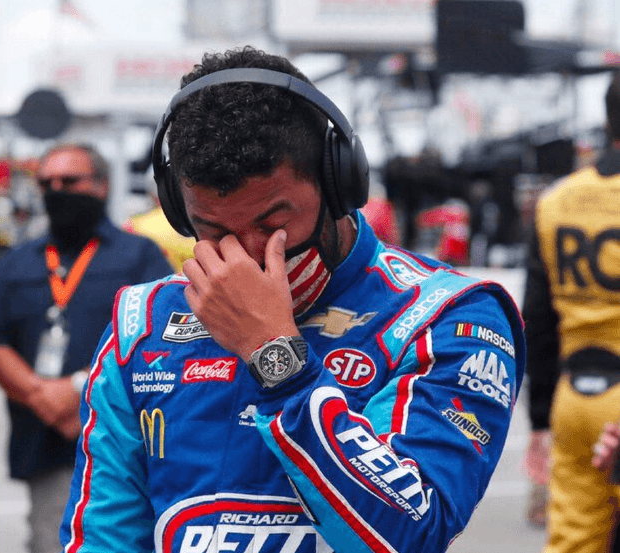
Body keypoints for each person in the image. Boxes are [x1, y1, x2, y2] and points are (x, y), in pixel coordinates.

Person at [60, 46, 524, 552]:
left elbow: (409, 534)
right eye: (213, 231)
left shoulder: (450, 318)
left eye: (273, 224)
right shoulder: (142, 324)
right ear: (177, 207)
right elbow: (103, 540)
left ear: (338, 182)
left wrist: (274, 355)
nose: (247, 260)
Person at [0, 143, 172, 553]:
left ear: (101, 186)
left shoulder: (139, 255)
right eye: (47, 183)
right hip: (47, 442)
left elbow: (160, 338)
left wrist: (76, 391)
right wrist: (40, 395)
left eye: (69, 181)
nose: (57, 191)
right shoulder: (17, 263)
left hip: (127, 441)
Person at [523, 70, 620, 553]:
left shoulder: (556, 201)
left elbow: (537, 321)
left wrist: (540, 419)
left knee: (573, 540)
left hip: (574, 398)